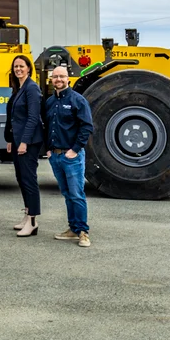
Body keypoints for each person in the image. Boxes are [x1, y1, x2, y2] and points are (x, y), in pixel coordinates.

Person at [42, 65, 94, 247]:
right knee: (67, 194)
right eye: (55, 77)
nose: (58, 80)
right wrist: (48, 149)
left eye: (62, 76)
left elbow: (87, 126)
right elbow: (46, 127)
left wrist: (75, 150)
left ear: (68, 79)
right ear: (52, 80)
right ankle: (72, 228)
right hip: (55, 157)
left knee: (77, 194)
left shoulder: (77, 100)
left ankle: (83, 232)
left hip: (72, 157)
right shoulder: (49, 102)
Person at [4, 54, 43, 237]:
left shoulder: (32, 88)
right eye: (15, 66)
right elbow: (14, 118)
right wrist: (11, 140)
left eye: (21, 66)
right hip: (18, 141)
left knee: (29, 180)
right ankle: (27, 216)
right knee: (21, 179)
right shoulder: (19, 88)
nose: (18, 69)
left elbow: (33, 118)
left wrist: (24, 142)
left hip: (28, 143)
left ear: (28, 68)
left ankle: (33, 222)